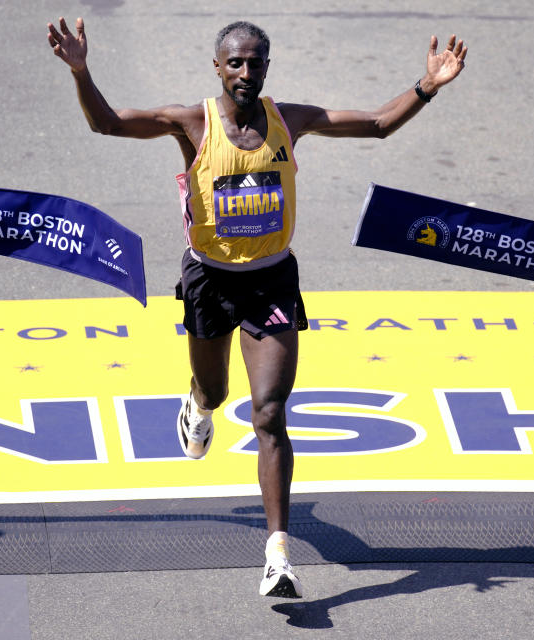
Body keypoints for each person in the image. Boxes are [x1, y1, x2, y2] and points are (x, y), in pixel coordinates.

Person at [47, 17, 466, 598]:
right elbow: (109, 123)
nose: (246, 72)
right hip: (209, 280)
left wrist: (428, 85)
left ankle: (278, 555)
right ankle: (197, 403)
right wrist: (80, 70)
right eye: (235, 63)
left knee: (269, 413)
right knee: (216, 392)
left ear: (267, 67)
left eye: (256, 62)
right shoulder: (191, 122)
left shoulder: (288, 121)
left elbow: (375, 124)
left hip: (270, 280)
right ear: (218, 68)